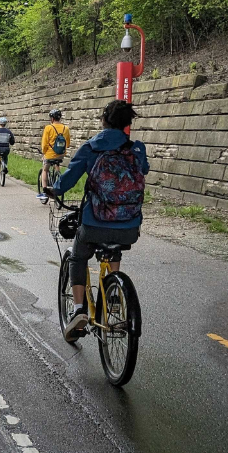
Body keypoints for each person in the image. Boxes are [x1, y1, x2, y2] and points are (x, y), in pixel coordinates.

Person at [48, 100, 147, 343]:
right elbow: (143, 170)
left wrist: (54, 190)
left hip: (95, 224)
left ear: (104, 120)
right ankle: (114, 294)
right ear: (127, 123)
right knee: (114, 242)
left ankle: (79, 310)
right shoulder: (137, 149)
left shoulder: (91, 148)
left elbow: (68, 180)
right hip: (130, 227)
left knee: (78, 256)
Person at [38, 109, 71, 201]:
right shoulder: (66, 128)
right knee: (57, 163)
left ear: (52, 118)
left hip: (50, 155)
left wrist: (44, 153)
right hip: (61, 154)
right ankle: (58, 177)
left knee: (45, 170)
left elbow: (44, 144)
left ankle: (45, 191)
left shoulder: (48, 128)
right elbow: (67, 144)